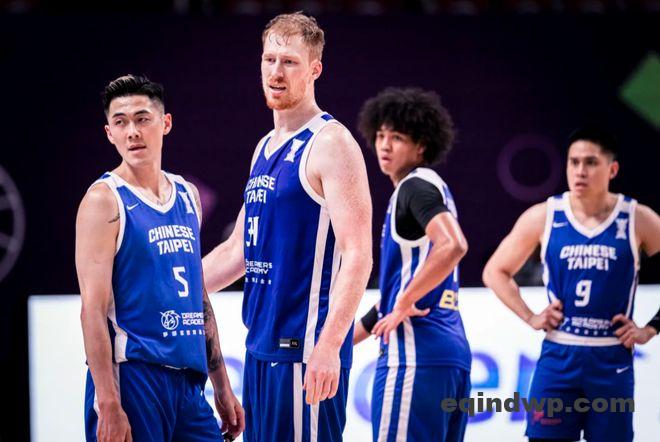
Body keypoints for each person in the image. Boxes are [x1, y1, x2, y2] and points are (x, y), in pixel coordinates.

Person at [202, 12, 372, 442]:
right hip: (260, 349)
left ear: (315, 69)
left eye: (290, 62)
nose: (276, 72)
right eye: (269, 59)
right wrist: (164, 287)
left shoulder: (331, 143)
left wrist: (330, 346)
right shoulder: (265, 146)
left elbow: (358, 254)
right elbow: (238, 251)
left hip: (305, 352)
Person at [76, 75, 244, 442]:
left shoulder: (187, 195)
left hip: (188, 382)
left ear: (165, 123)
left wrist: (221, 385)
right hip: (134, 377)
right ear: (109, 133)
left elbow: (197, 296)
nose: (132, 132)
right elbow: (92, 310)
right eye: (121, 122)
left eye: (142, 119)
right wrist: (108, 401)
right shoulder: (103, 201)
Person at [483, 127, 660, 442]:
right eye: (573, 162)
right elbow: (495, 271)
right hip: (559, 356)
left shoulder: (637, 218)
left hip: (611, 359)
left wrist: (651, 328)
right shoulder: (545, 215)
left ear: (612, 169)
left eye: (591, 162)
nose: (580, 171)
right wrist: (530, 316)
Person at [354, 87, 471, 442]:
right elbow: (390, 302)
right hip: (451, 357)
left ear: (421, 146)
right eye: (380, 136)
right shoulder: (432, 189)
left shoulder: (414, 187)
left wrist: (404, 302)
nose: (385, 145)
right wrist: (338, 344)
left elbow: (453, 245)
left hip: (415, 356)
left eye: (397, 137)